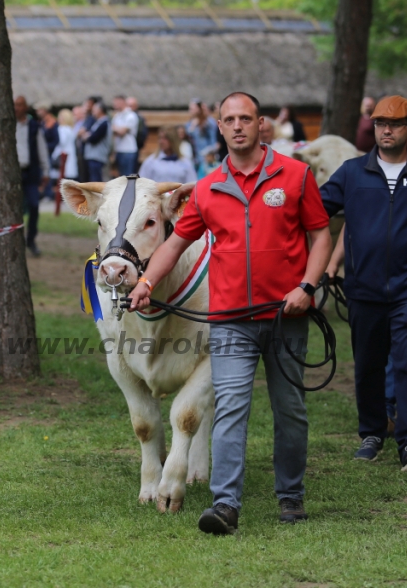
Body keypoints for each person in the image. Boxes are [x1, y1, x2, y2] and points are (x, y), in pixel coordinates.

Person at [128, 92, 331, 535]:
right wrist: (145, 283)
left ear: (260, 124)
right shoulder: (207, 188)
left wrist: (307, 286)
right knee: (231, 410)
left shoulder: (295, 176)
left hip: (286, 317)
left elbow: (321, 235)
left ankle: (291, 495)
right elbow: (175, 244)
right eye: (229, 119)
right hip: (231, 321)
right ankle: (225, 505)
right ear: (219, 127)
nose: (238, 126)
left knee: (290, 409)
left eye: (246, 118)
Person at [319, 95, 407, 474]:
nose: (386, 130)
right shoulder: (351, 173)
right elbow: (314, 210)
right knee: (369, 364)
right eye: (380, 123)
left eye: (394, 124)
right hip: (363, 288)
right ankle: (373, 433)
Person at [14, 95, 50, 257]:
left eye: (21, 105)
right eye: (15, 105)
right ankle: (15, 240)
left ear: (26, 107)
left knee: (34, 205)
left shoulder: (34, 126)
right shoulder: (6, 125)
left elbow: (42, 149)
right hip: (12, 174)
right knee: (15, 209)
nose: (17, 108)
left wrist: (46, 170)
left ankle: (31, 240)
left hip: (31, 172)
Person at [79, 100, 110, 184]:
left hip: (97, 156)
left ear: (100, 110)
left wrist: (87, 136)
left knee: (96, 180)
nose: (93, 111)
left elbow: (93, 138)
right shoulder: (99, 122)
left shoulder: (104, 123)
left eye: (95, 109)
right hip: (94, 156)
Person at [111, 95, 140, 176]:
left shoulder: (131, 115)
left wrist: (115, 128)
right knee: (121, 176)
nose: (114, 105)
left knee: (128, 176)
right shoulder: (117, 116)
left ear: (122, 102)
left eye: (116, 103)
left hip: (128, 150)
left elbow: (122, 131)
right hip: (119, 150)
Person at [52, 108, 78, 181]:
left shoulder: (62, 128)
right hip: (70, 159)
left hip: (63, 158)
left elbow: (61, 142)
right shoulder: (71, 129)